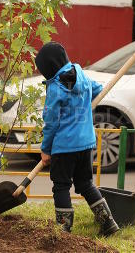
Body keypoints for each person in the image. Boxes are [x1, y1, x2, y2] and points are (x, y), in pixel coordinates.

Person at [35, 41, 119, 236]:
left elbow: (51, 122)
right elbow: (98, 89)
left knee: (61, 186)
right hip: (86, 144)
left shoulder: (55, 88)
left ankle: (63, 230)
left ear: (49, 67)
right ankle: (108, 223)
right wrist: (82, 100)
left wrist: (46, 149)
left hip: (64, 147)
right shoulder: (81, 75)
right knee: (86, 184)